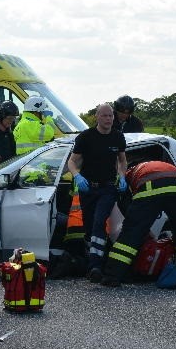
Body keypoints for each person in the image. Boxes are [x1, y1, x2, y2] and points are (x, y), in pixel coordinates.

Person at [101, 161, 176, 286]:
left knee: (130, 235)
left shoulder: (128, 175)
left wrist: (139, 227)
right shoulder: (153, 165)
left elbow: (127, 206)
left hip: (150, 189)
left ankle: (112, 276)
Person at [67, 103, 128, 282]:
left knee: (98, 222)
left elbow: (122, 160)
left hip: (108, 188)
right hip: (88, 189)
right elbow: (72, 161)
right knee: (89, 228)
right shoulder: (85, 137)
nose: (108, 119)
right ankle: (94, 260)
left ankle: (95, 266)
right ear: (97, 117)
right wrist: (77, 176)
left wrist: (122, 176)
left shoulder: (118, 137)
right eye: (104, 116)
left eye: (110, 116)